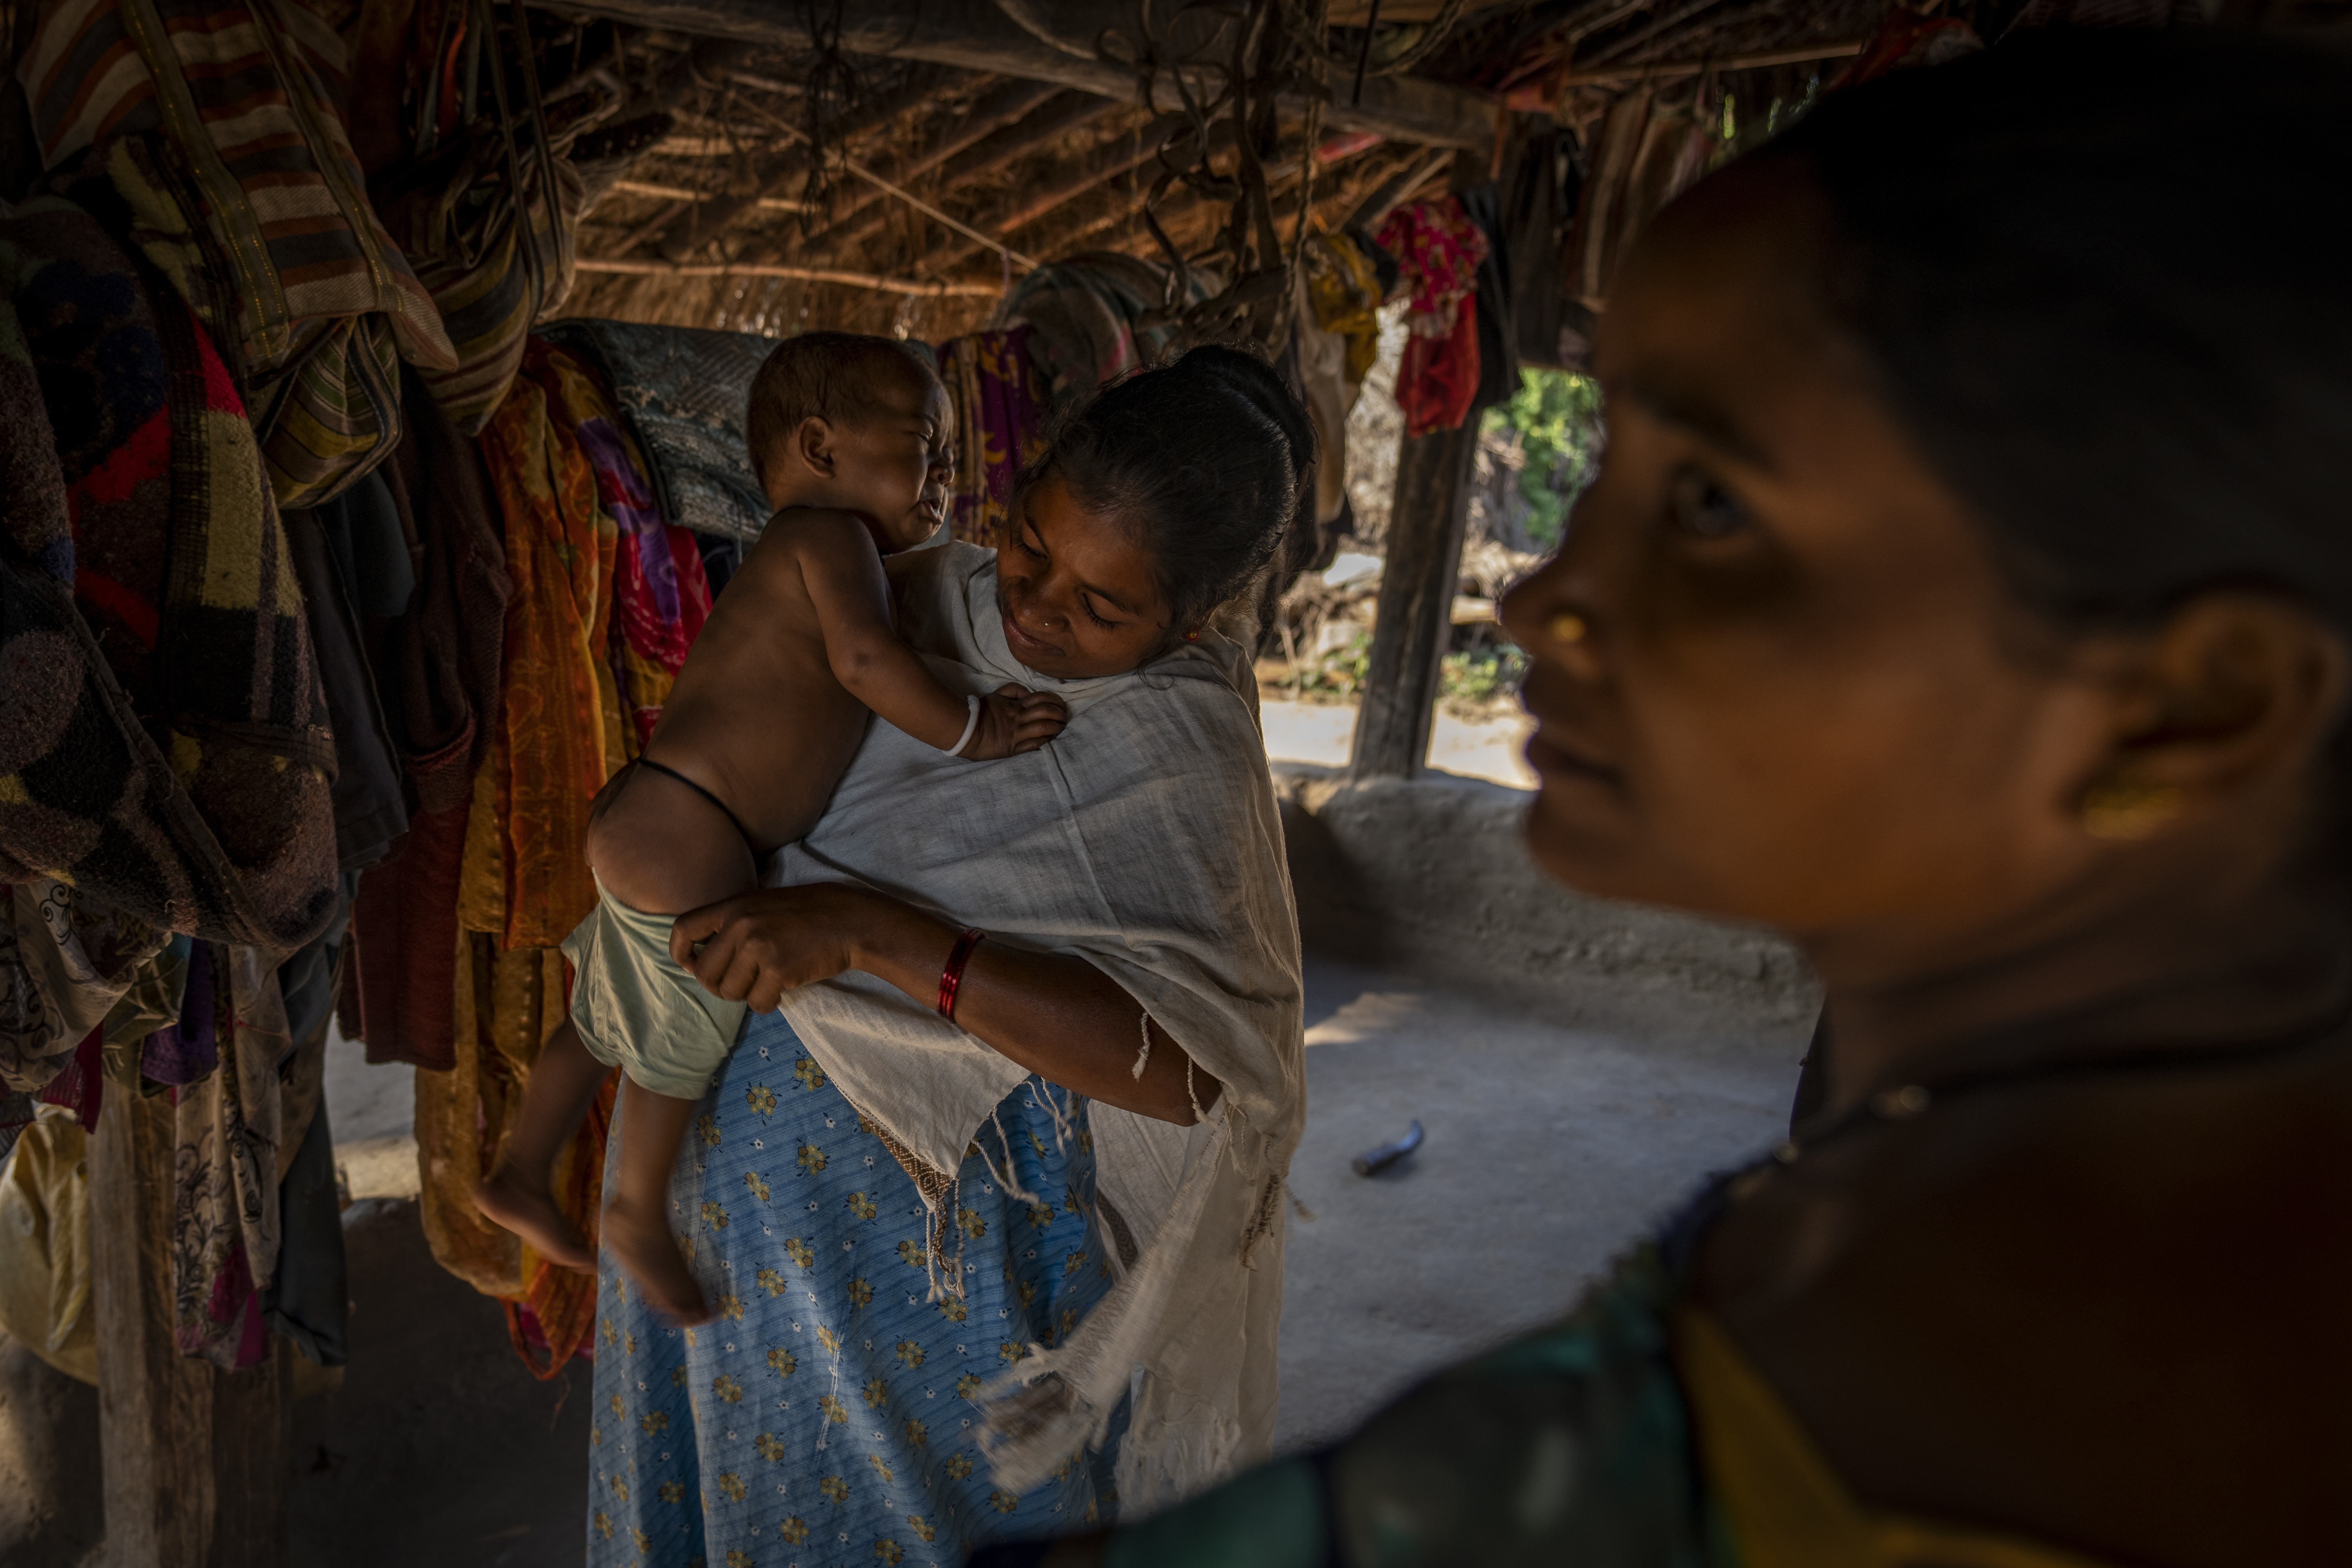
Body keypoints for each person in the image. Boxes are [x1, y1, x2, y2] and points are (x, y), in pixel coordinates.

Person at [973, 31, 2352, 1568]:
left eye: (1711, 504)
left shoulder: (2004, 1387)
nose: (1546, 598)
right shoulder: (1954, 1197)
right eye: (1616, 468)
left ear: (2193, 705)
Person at [585, 346, 1316, 1568]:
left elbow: (1199, 1072)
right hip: (720, 1200)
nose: (1034, 608)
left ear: (1188, 621)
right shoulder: (903, 595)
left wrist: (877, 934)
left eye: (1100, 609)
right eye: (1029, 545)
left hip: (931, 1262)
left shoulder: (1181, 745)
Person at [476, 332, 1069, 1321]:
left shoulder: (806, 549)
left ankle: (522, 1166)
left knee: (606, 1010)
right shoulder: (828, 539)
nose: (946, 472)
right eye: (925, 445)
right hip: (691, 829)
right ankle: (634, 1209)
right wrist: (979, 729)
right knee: (684, 1021)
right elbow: (868, 666)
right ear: (821, 448)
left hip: (661, 811)